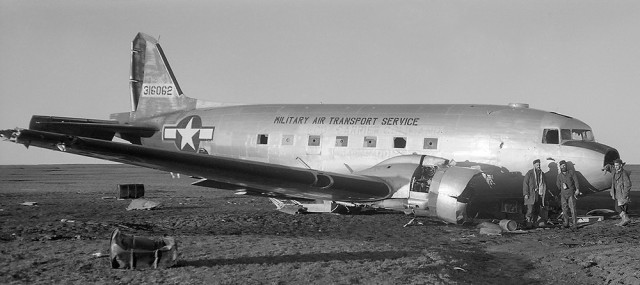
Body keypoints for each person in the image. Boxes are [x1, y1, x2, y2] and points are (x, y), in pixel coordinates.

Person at [523, 159, 548, 228]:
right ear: (534, 165)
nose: (539, 166)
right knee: (530, 209)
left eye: (539, 164)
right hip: (531, 194)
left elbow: (544, 184)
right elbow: (525, 184)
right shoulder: (529, 173)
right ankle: (528, 222)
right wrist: (526, 194)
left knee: (537, 209)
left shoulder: (542, 174)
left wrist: (543, 194)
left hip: (539, 194)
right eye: (537, 165)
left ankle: (534, 222)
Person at [555, 160, 580, 228]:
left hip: (571, 193)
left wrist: (577, 189)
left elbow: (576, 181)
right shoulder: (559, 176)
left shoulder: (571, 173)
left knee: (573, 209)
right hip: (563, 194)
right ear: (560, 167)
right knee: (564, 209)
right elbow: (558, 185)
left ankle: (575, 224)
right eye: (562, 166)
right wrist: (561, 186)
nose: (563, 167)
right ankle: (566, 223)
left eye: (564, 165)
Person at [610, 159, 632, 226]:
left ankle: (625, 219)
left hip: (622, 193)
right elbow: (610, 168)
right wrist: (606, 167)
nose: (615, 166)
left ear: (621, 165)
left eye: (617, 165)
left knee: (618, 207)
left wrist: (625, 194)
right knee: (621, 208)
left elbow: (628, 184)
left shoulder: (624, 173)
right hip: (617, 193)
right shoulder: (614, 171)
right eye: (615, 165)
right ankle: (624, 220)